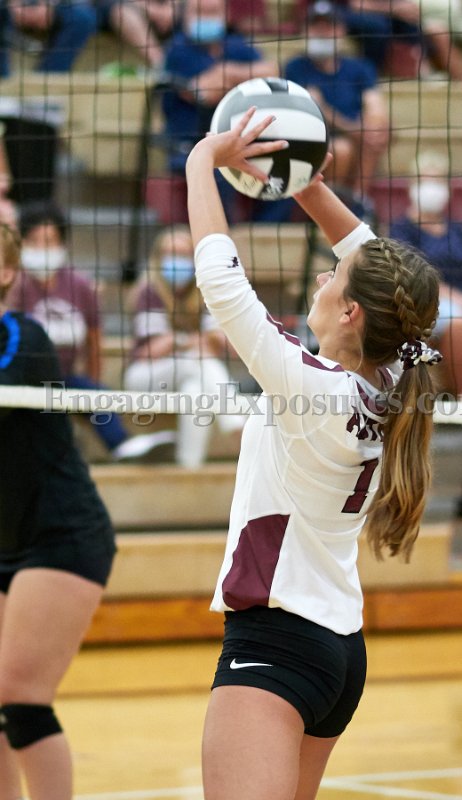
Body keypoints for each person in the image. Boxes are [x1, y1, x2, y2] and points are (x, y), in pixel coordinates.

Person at [185, 108, 441, 800]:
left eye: (333, 278)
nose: (323, 278)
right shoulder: (396, 374)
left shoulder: (315, 389)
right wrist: (303, 182)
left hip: (277, 647)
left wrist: (202, 160)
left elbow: (222, 284)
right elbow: (379, 267)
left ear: (351, 312)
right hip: (336, 650)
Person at [0, 221, 116, 800]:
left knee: (19, 699)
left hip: (62, 535)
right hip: (7, 538)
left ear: (6, 272)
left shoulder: (24, 336)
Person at [7, 200, 171, 460]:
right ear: (22, 244)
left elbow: (94, 341)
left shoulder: (79, 285)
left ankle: (122, 446)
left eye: (49, 240)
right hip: (20, 380)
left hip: (64, 379)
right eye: (34, 241)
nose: (42, 248)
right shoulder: (13, 284)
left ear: (62, 243)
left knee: (97, 394)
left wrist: (92, 383)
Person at [160, 0, 290, 223]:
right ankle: (223, 235)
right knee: (218, 171)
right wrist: (245, 79)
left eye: (213, 11)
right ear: (185, 16)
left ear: (226, 15)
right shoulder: (177, 50)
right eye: (200, 11)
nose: (207, 17)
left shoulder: (235, 44)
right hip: (192, 144)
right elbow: (206, 92)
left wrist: (226, 72)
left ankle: (260, 231)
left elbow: (272, 71)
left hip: (240, 140)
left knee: (286, 162)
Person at [124, 225, 244, 467]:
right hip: (144, 376)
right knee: (198, 363)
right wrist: (189, 341)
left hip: (188, 375)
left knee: (195, 392)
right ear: (158, 258)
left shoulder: (203, 290)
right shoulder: (149, 291)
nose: (176, 261)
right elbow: (151, 351)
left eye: (182, 254)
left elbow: (220, 344)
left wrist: (179, 342)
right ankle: (235, 424)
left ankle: (189, 465)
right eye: (170, 254)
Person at [389, 151, 462, 396]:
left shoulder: (455, 228)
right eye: (425, 180)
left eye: (437, 181)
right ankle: (458, 393)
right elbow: (413, 275)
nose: (432, 188)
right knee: (458, 320)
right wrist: (459, 300)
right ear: (412, 186)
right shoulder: (402, 229)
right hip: (427, 299)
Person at [285, 1, 389, 210]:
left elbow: (374, 103)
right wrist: (353, 128)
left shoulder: (359, 67)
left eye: (329, 27)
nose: (322, 33)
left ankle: (359, 202)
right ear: (306, 31)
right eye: (316, 27)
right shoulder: (295, 67)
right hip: (315, 137)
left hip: (355, 134)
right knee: (340, 150)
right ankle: (329, 208)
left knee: (378, 128)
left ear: (341, 31)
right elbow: (313, 113)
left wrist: (373, 123)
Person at [0, 0, 97, 77]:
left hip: (57, 5)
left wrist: (49, 4)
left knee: (82, 17)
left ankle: (46, 79)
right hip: (10, 6)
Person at [94, 0, 180, 71]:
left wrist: (169, 8)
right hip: (121, 7)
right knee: (122, 12)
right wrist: (153, 11)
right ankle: (161, 64)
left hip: (162, 11)